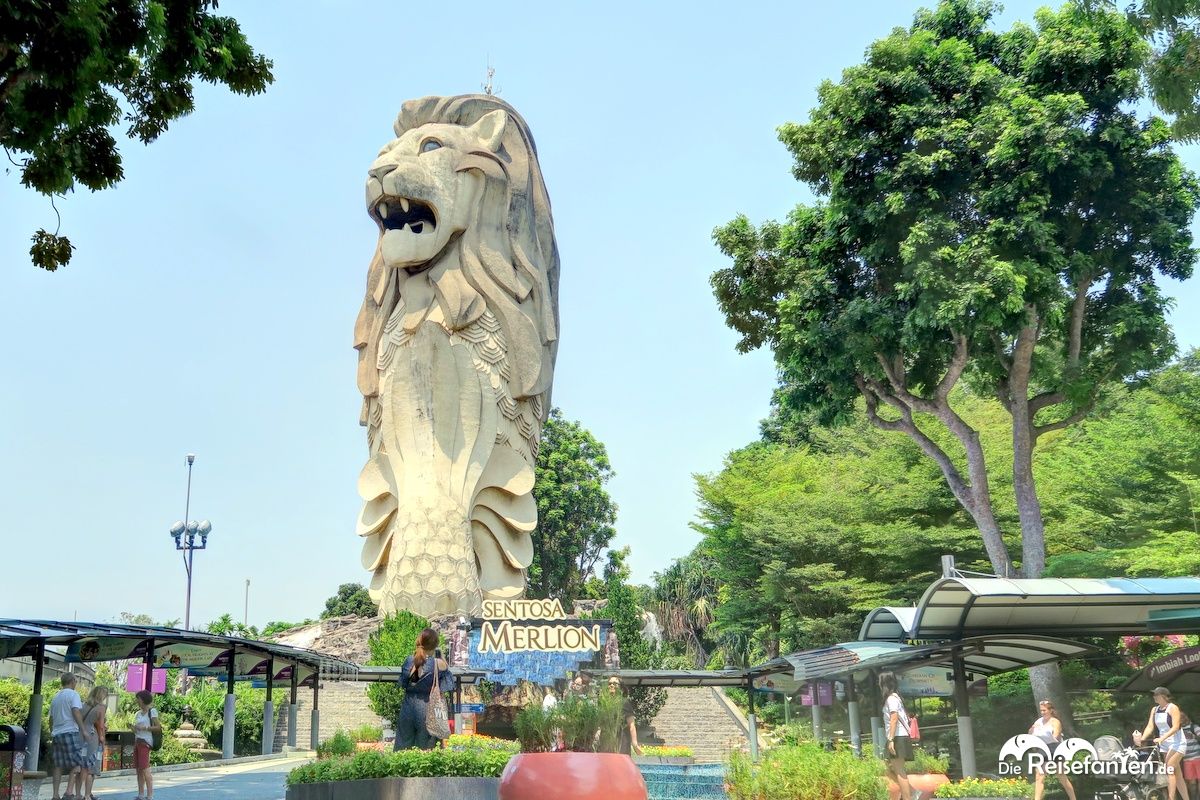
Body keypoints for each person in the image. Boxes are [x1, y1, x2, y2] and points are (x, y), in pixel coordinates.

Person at [395, 628, 454, 750]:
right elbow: (447, 684)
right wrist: (441, 656)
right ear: (435, 645)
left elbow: (404, 682)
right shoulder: (438, 663)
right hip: (428, 709)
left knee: (403, 745)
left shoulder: (410, 660)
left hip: (408, 706)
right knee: (427, 748)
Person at [1135, 687, 1190, 800]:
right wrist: (1142, 740)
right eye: (1154, 694)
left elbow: (1175, 727)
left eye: (1156, 694)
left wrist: (1161, 738)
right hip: (1165, 744)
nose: (1154, 696)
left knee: (1169, 769)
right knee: (1177, 775)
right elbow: (1150, 726)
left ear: (1164, 696)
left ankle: (1170, 798)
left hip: (1177, 743)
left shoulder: (1172, 708)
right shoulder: (1154, 710)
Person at [879, 672, 917, 800]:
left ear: (884, 684)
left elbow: (894, 718)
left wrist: (890, 739)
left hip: (897, 737)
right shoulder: (896, 697)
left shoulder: (891, 699)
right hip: (898, 736)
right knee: (889, 766)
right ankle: (912, 791)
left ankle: (908, 797)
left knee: (899, 770)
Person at [1029, 699, 1077, 800]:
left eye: (1044, 710)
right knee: (1039, 777)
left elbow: (1056, 736)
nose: (1042, 713)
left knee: (1061, 777)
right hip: (1043, 750)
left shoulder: (1055, 722)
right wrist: (1032, 730)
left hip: (1055, 750)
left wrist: (1046, 734)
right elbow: (1030, 734)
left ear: (1050, 710)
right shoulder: (1038, 721)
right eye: (1041, 710)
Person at [49, 673, 87, 800]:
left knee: (58, 765)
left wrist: (52, 732)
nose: (76, 684)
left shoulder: (56, 697)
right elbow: (76, 711)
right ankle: (69, 792)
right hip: (70, 731)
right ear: (72, 681)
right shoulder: (73, 695)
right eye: (75, 681)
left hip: (57, 734)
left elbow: (51, 718)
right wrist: (83, 729)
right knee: (76, 764)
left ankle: (55, 795)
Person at [79, 687, 109, 800]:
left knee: (82, 765)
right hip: (93, 736)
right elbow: (100, 726)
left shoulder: (84, 705)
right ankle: (87, 795)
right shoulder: (101, 707)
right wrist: (102, 738)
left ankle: (80, 794)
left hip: (81, 735)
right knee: (92, 766)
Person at [132, 690, 161, 800]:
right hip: (137, 740)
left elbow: (158, 727)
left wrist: (145, 728)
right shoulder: (138, 713)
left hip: (145, 742)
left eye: (138, 699)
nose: (137, 701)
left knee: (145, 768)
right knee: (139, 769)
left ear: (143, 700)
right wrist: (134, 728)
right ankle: (140, 794)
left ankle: (149, 795)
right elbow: (137, 730)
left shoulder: (152, 712)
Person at [609, 677, 642, 757]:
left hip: (621, 741)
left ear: (621, 687)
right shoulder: (605, 703)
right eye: (609, 683)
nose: (612, 685)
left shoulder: (624, 703)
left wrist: (635, 744)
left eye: (615, 683)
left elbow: (631, 725)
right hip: (607, 741)